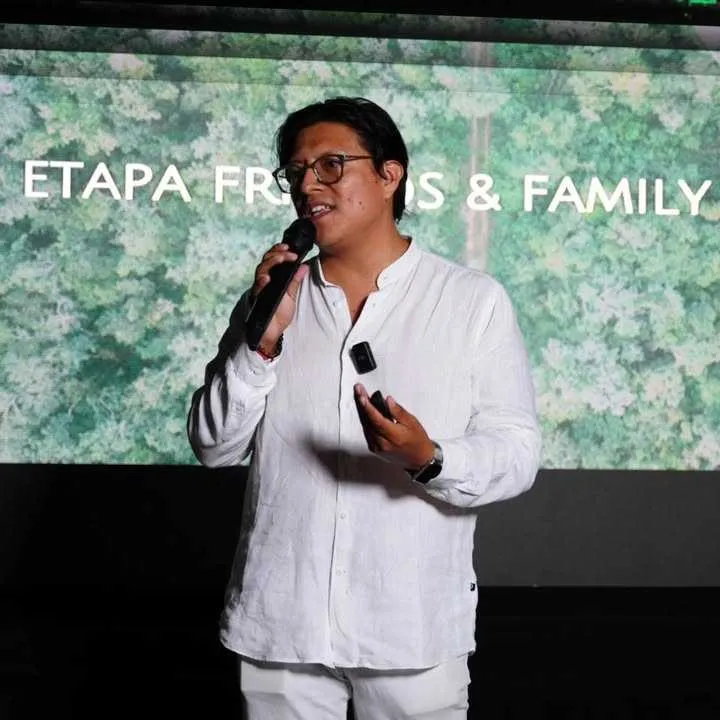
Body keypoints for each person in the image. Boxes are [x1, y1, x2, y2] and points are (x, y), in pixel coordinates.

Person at [187, 96, 541, 720]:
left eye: (331, 165)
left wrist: (429, 457)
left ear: (388, 175)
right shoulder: (270, 300)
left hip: (411, 626)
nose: (308, 186)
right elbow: (213, 446)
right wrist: (261, 344)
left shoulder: (471, 301)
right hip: (282, 624)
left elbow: (516, 453)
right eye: (296, 172)